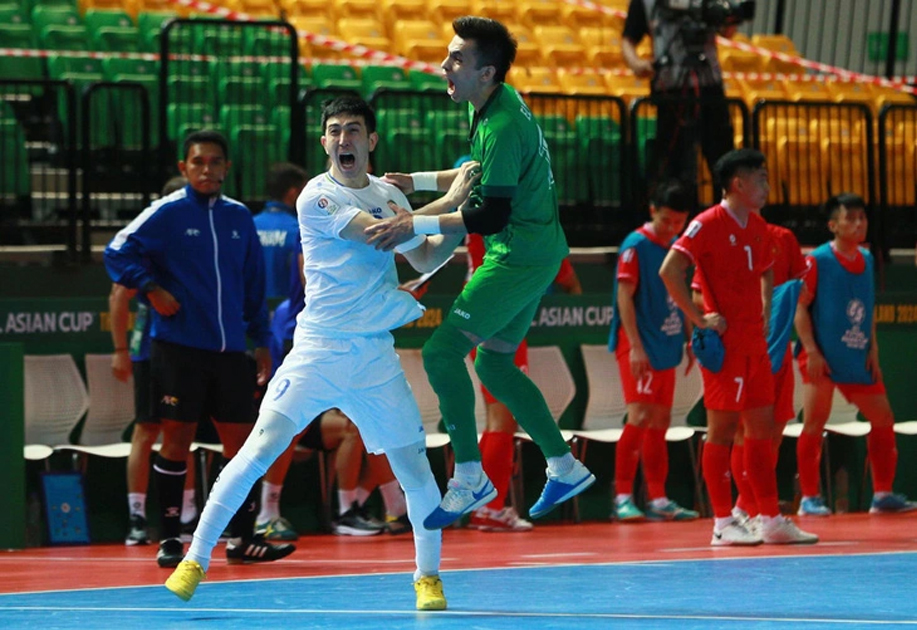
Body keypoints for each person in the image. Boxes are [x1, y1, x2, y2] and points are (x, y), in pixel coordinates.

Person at [164, 96, 479, 611]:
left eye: (352, 130)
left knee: (415, 469)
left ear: (370, 140)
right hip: (318, 350)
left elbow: (423, 255)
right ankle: (195, 560)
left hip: (374, 355)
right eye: (334, 131)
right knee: (259, 449)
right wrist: (454, 199)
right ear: (324, 142)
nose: (342, 139)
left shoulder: (388, 195)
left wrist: (457, 223)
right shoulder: (317, 195)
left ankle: (428, 578)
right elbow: (378, 234)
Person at [365, 16, 595, 530]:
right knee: (493, 364)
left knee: (441, 352)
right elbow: (476, 172)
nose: (444, 65)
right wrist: (417, 180)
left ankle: (470, 476)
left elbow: (489, 214)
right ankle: (564, 465)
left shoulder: (502, 124)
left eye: (457, 59)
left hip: (516, 256)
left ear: (486, 71)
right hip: (536, 252)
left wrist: (412, 221)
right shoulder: (493, 102)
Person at [104, 130, 294, 568]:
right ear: (183, 167)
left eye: (214, 162)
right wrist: (151, 288)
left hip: (231, 351)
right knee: (176, 440)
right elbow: (116, 252)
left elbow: (253, 284)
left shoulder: (239, 217)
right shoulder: (167, 212)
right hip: (179, 348)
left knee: (243, 444)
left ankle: (241, 538)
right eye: (198, 162)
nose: (206, 169)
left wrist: (261, 341)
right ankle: (171, 539)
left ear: (227, 168)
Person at [659, 148, 817, 545]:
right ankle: (722, 522)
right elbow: (669, 270)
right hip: (726, 346)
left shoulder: (759, 226)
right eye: (760, 180)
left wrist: (765, 308)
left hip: (755, 344)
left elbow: (765, 269)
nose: (767, 187)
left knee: (762, 431)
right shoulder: (707, 222)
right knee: (722, 431)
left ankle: (770, 519)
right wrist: (700, 320)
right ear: (738, 184)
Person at [256, 257, 411, 539]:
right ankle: (266, 513)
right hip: (313, 336)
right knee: (290, 427)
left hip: (348, 335)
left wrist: (394, 296)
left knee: (370, 421)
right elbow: (316, 283)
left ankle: (373, 507)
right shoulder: (315, 232)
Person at [794, 193, 917, 516]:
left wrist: (873, 349)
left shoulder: (867, 259)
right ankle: (809, 498)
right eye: (851, 218)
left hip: (856, 355)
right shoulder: (817, 260)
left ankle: (883, 494)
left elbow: (868, 309)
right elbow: (800, 308)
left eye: (862, 218)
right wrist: (811, 350)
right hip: (821, 356)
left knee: (883, 418)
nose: (859, 224)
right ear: (833, 225)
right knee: (814, 423)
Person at [691, 200, 808, 525]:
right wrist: (708, 317)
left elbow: (800, 292)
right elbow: (695, 291)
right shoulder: (714, 233)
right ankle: (741, 511)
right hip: (735, 348)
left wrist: (773, 307)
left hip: (774, 346)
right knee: (736, 431)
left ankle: (758, 511)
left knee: (772, 430)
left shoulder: (781, 238)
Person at [465, 232, 584, 532]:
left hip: (486, 312)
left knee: (500, 418)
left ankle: (485, 505)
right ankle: (488, 508)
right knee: (503, 419)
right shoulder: (512, 218)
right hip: (497, 315)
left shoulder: (482, 213)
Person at [109, 176, 201, 546]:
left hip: (190, 349)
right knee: (147, 431)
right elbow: (118, 296)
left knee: (183, 431)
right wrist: (120, 350)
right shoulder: (149, 243)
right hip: (150, 350)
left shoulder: (197, 243)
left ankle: (188, 514)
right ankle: (136, 516)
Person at [608, 179, 699, 523]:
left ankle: (658, 498)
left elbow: (680, 297)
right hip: (638, 344)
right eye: (666, 220)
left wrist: (690, 338)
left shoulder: (676, 248)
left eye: (679, 222)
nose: (672, 228)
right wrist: (635, 347)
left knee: (661, 420)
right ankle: (621, 497)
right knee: (640, 417)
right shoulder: (635, 246)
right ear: (652, 211)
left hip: (666, 343)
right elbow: (624, 298)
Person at [622, 0, 737, 202]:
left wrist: (730, 15)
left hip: (709, 87)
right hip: (671, 89)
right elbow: (628, 39)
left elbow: (728, 31)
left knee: (723, 162)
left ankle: (727, 214)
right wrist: (637, 64)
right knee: (673, 165)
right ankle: (675, 214)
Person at [253, 162, 307, 300]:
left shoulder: (249, 226)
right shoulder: (300, 230)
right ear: (293, 193)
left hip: (253, 309)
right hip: (290, 310)